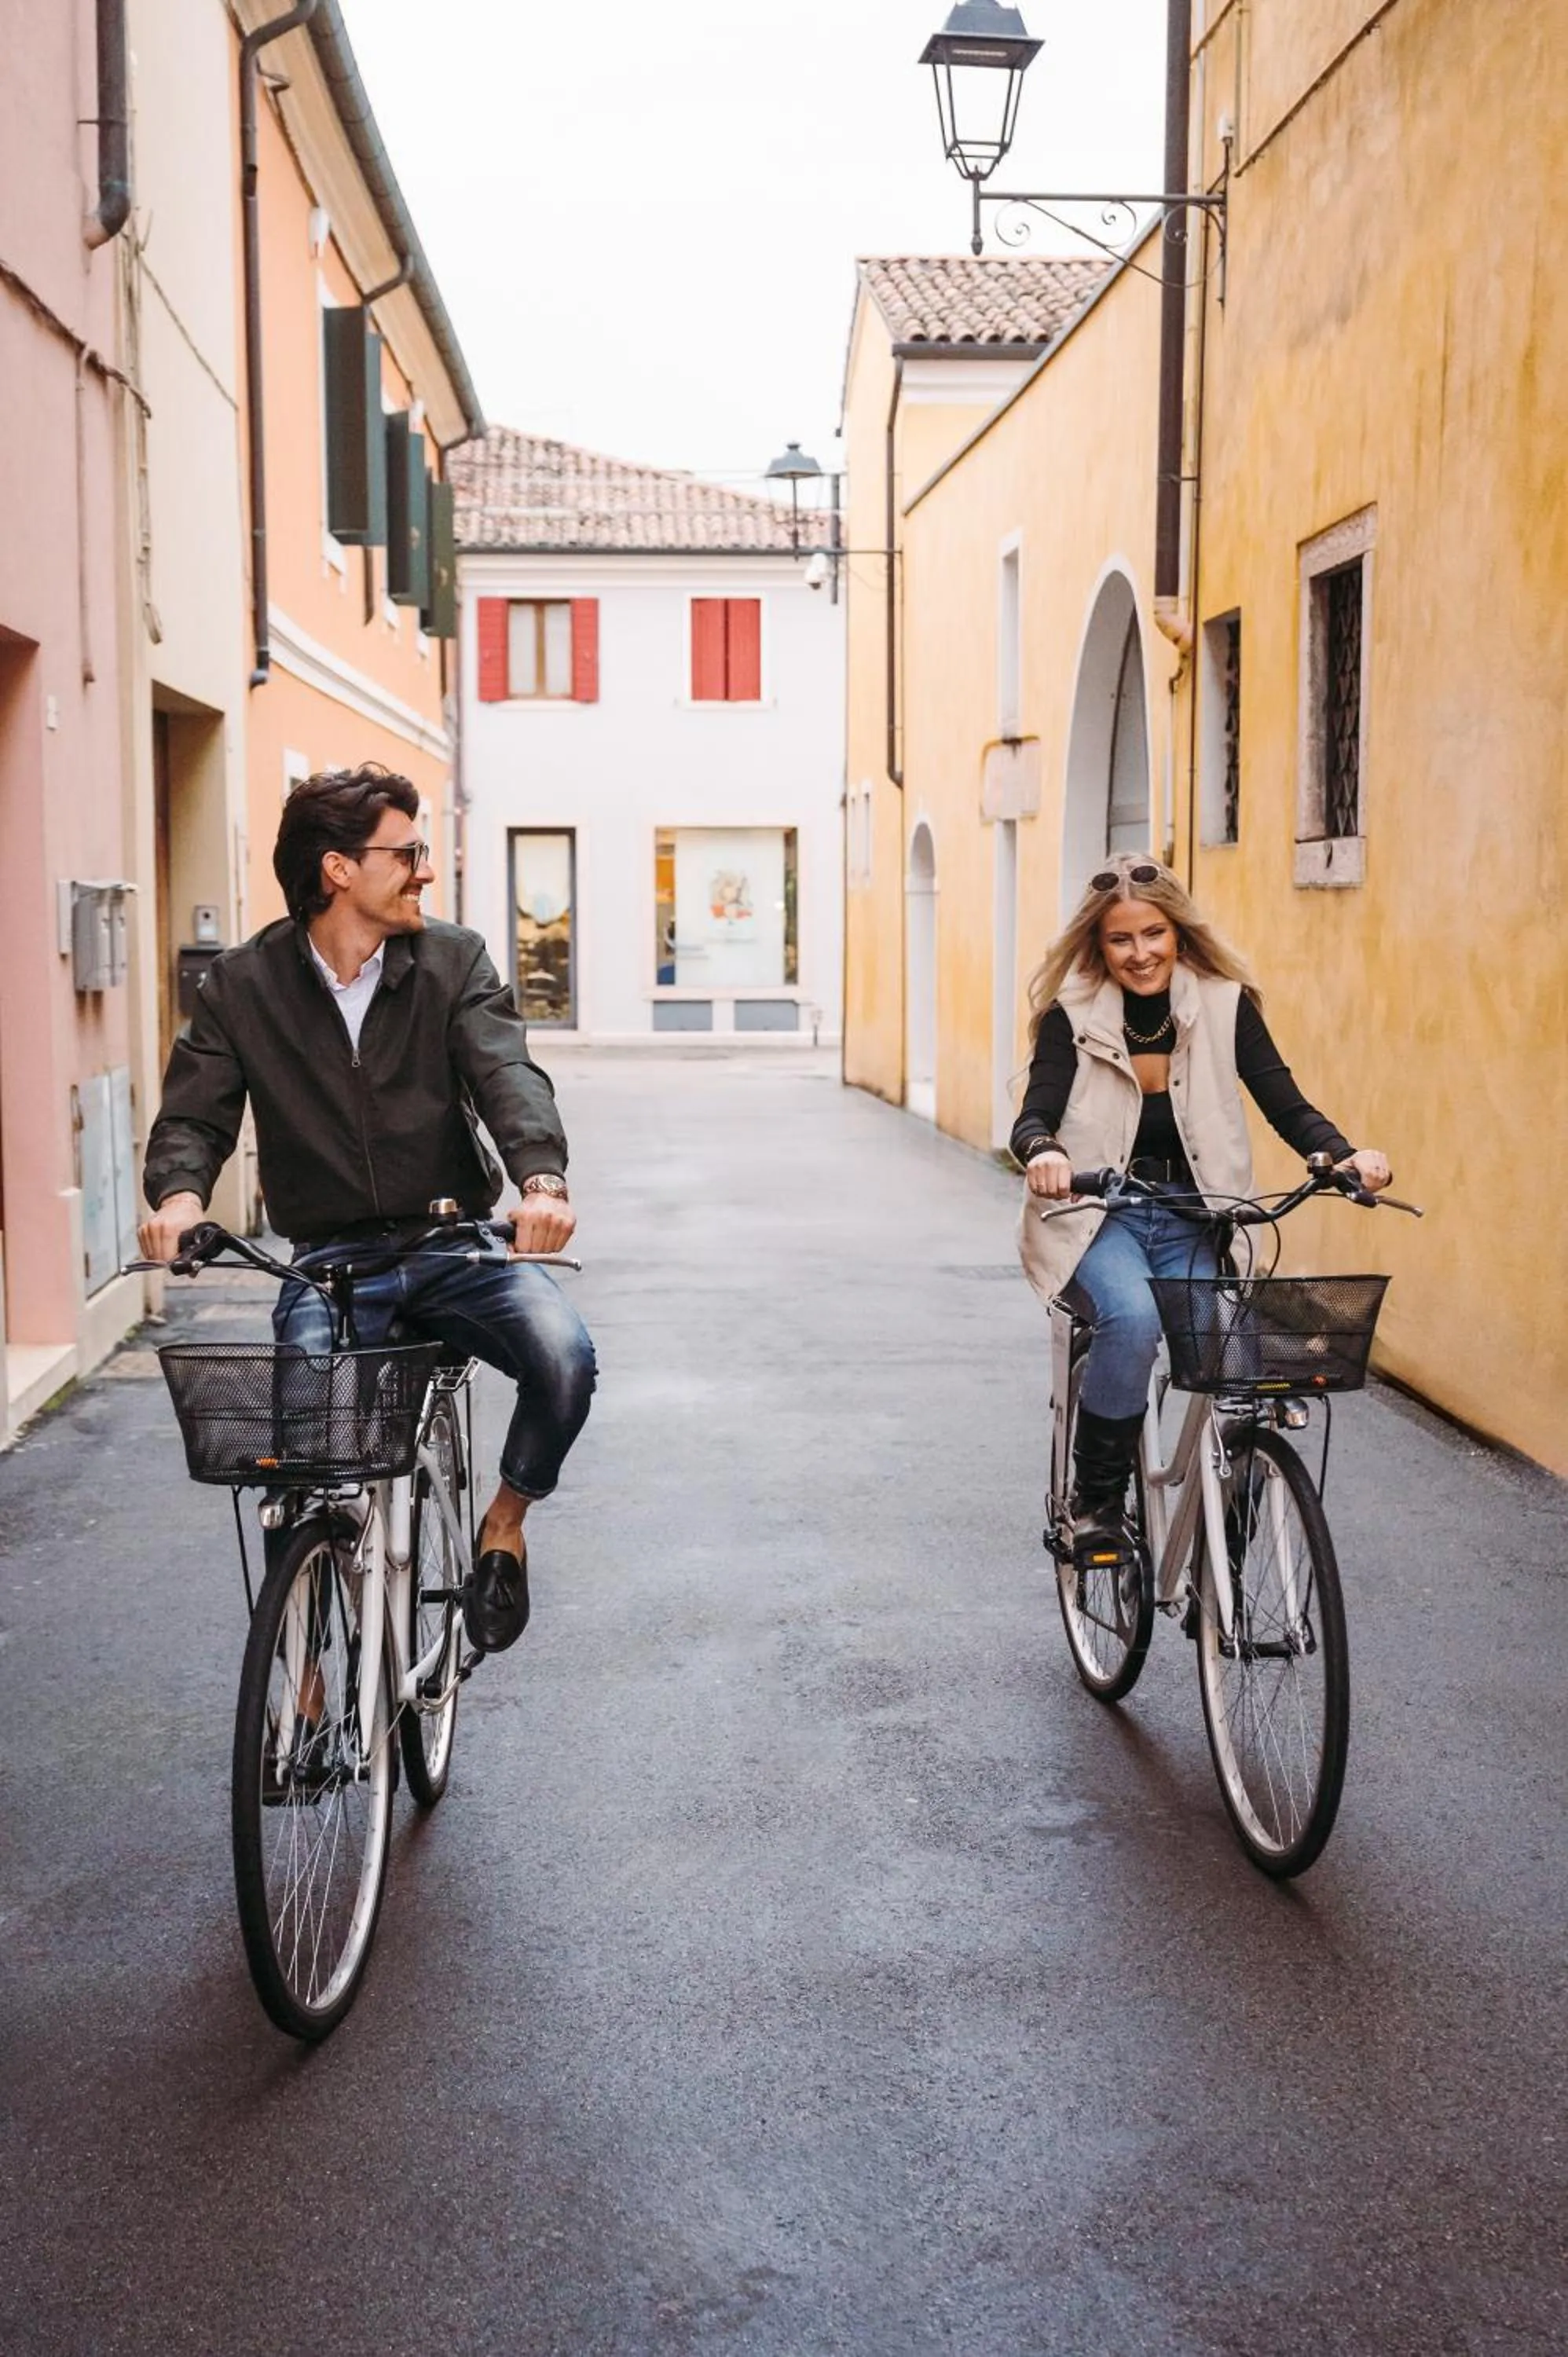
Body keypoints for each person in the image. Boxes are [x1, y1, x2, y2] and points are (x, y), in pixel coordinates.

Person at [139, 763, 595, 1655]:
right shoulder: (242, 986)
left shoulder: (452, 960)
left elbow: (507, 1075)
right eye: (408, 852)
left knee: (564, 1360)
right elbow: (194, 1115)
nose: (425, 870)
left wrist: (540, 1181)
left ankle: (502, 1522)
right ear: (338, 869)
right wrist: (179, 1199)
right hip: (329, 1259)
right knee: (295, 1454)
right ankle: (300, 1664)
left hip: (455, 1242)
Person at [1011, 853, 1390, 1556]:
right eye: (1120, 939)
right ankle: (1095, 1502)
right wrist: (1043, 1153)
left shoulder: (1224, 1004)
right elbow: (1034, 1113)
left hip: (1200, 1215)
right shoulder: (1070, 1016)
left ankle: (1231, 1545)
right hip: (1102, 1215)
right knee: (1131, 1320)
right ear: (1099, 946)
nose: (1140, 953)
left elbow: (1285, 1101)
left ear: (1179, 934)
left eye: (1153, 934)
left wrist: (1343, 1155)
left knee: (1243, 1370)